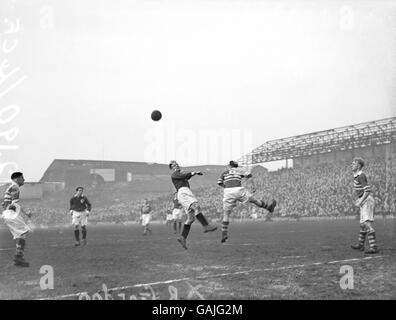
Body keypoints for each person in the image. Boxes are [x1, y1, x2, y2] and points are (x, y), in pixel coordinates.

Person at [217, 161, 276, 243]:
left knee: (226, 214)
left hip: (228, 192)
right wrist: (252, 186)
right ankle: (269, 208)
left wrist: (226, 187)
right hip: (238, 190)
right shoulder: (240, 170)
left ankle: (224, 234)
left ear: (229, 166)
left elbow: (219, 183)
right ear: (236, 166)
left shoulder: (224, 173)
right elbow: (249, 176)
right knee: (254, 200)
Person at [169, 160, 217, 249]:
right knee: (196, 207)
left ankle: (183, 238)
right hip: (183, 192)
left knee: (190, 219)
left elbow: (186, 177)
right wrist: (193, 172)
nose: (176, 165)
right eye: (174, 165)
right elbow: (185, 175)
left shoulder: (179, 175)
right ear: (171, 168)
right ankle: (206, 226)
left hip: (185, 192)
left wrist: (194, 173)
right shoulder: (175, 174)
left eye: (177, 164)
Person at [1, 172, 31, 267]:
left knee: (21, 234)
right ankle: (18, 257)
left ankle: (18, 257)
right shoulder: (15, 187)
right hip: (11, 214)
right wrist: (25, 213)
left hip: (7, 214)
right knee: (23, 232)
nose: (24, 179)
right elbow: (14, 203)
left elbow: (5, 204)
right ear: (17, 179)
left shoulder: (10, 187)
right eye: (22, 178)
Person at [350, 158, 379, 254]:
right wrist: (359, 199)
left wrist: (360, 201)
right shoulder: (356, 176)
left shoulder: (361, 176)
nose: (352, 165)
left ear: (358, 166)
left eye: (354, 163)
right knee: (362, 225)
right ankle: (361, 245)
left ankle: (373, 247)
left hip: (366, 201)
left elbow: (367, 190)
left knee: (367, 224)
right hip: (364, 200)